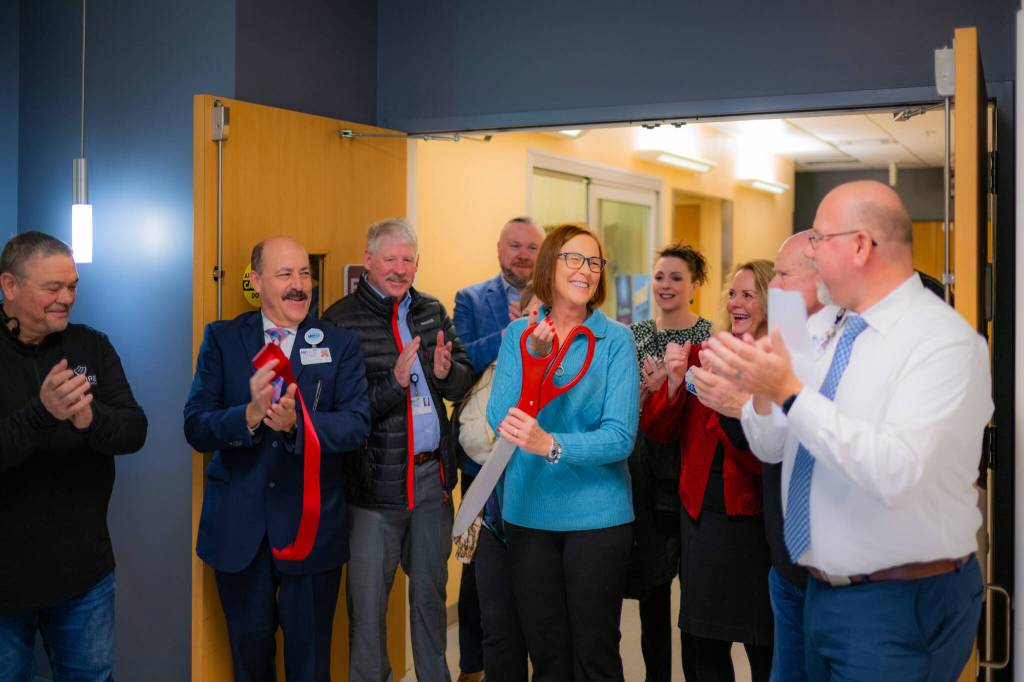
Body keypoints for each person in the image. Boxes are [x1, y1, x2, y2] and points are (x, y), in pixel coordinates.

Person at [706, 180, 990, 681]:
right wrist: (762, 391)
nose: (811, 253)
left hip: (898, 601)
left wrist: (789, 391)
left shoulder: (941, 342)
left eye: (819, 239)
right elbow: (772, 447)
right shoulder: (823, 328)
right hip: (821, 590)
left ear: (860, 245)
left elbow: (894, 472)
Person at [185, 236, 370, 681]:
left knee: (311, 666)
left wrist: (296, 426)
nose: (299, 285)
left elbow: (356, 424)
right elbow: (196, 426)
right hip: (239, 532)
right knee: (250, 663)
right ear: (256, 281)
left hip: (312, 531)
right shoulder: (223, 339)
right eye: (285, 274)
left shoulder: (339, 343)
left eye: (305, 273)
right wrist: (248, 416)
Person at [322, 218, 474, 682]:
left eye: (408, 259)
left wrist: (446, 374)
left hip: (431, 483)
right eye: (390, 259)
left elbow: (462, 382)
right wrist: (394, 382)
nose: (400, 268)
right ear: (368, 260)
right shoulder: (340, 321)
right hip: (373, 490)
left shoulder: (431, 310)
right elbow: (339, 413)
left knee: (430, 599)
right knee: (368, 611)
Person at [486, 224, 639, 682]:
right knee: (547, 656)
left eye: (594, 263)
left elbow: (620, 436)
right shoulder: (519, 334)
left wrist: (552, 445)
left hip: (598, 518)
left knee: (594, 655)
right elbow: (501, 418)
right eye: (574, 259)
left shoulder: (616, 340)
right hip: (530, 514)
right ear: (550, 266)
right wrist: (534, 361)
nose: (585, 271)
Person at [0, 231, 148, 681]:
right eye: (53, 288)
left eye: (72, 286)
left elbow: (134, 430)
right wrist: (42, 413)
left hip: (84, 575)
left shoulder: (91, 346)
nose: (66, 298)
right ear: (9, 286)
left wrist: (88, 418)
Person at [641, 260, 775, 682]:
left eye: (748, 295)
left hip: (753, 525)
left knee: (764, 648)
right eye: (732, 294)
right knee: (704, 651)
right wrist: (674, 383)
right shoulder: (705, 353)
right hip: (700, 521)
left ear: (769, 302)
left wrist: (734, 405)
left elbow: (767, 460)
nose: (736, 303)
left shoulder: (780, 367)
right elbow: (659, 429)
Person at [452, 215, 544, 682]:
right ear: (499, 249)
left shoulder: (558, 301)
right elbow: (463, 362)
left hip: (537, 461)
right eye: (515, 246)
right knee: (479, 572)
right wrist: (513, 333)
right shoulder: (470, 299)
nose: (523, 255)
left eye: (532, 248)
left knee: (534, 570)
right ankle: (474, 665)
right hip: (483, 456)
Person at [626, 243, 712, 682]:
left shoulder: (710, 338)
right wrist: (647, 394)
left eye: (676, 278)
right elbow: (624, 406)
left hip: (693, 473)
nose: (666, 285)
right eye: (659, 276)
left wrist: (674, 390)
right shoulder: (635, 335)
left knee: (696, 596)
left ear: (694, 286)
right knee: (653, 594)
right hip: (646, 475)